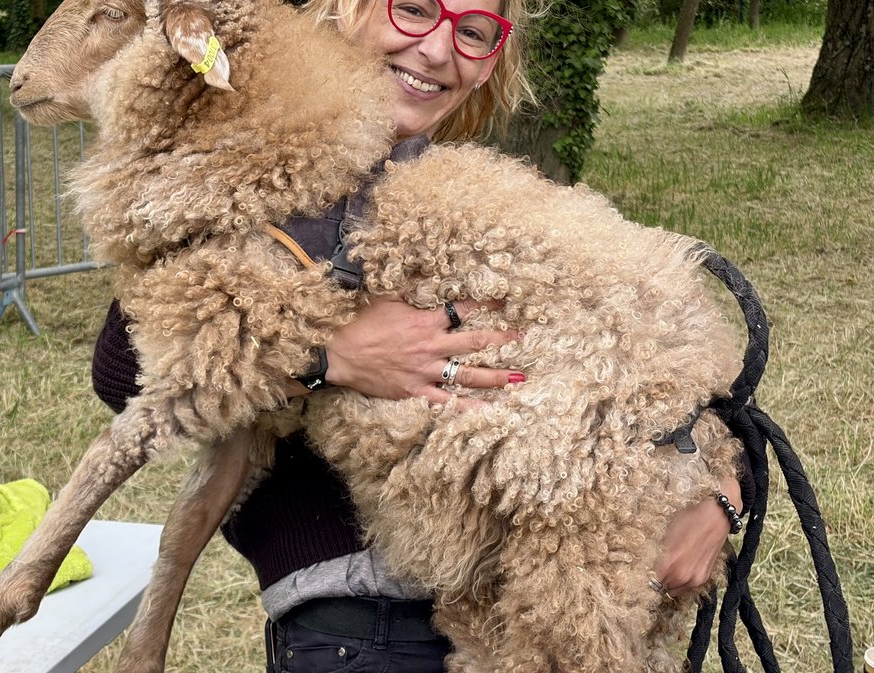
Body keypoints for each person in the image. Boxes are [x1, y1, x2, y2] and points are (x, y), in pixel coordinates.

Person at [92, 0, 751, 669]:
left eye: (471, 31)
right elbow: (123, 367)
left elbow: (680, 374)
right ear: (343, 11)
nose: (438, 49)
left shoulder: (479, 198)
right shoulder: (254, 161)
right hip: (360, 625)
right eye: (411, 8)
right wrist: (333, 357)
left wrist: (723, 499)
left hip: (527, 605)